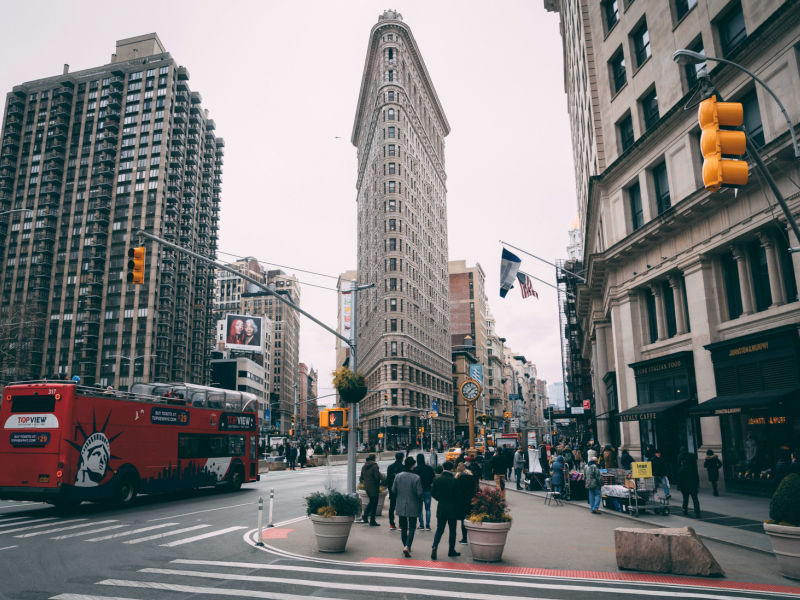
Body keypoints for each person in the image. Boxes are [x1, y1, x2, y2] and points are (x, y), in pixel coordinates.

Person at [392, 456, 422, 557]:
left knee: (403, 527)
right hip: (413, 504)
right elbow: (419, 493)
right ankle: (407, 546)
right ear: (412, 466)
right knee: (412, 527)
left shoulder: (398, 476)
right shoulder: (416, 478)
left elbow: (393, 490)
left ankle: (405, 545)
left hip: (400, 504)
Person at [431, 461, 460, 560]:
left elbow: (433, 493)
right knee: (452, 530)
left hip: (441, 507)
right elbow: (457, 495)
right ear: (452, 469)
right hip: (452, 508)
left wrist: (440, 499)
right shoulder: (455, 481)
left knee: (440, 529)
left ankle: (435, 546)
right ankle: (451, 550)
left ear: (443, 468)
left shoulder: (437, 479)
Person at [455, 462, 478, 544]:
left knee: (463, 521)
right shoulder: (471, 477)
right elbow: (476, 488)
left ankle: (464, 539)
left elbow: (457, 490)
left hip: (462, 502)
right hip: (471, 501)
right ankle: (474, 538)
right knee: (471, 519)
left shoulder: (459, 478)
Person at [359, 454, 382, 526]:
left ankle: (365, 516)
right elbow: (377, 477)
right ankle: (372, 521)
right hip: (374, 487)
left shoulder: (364, 466)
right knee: (374, 504)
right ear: (374, 459)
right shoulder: (375, 466)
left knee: (371, 502)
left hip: (367, 487)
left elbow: (361, 477)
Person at [385, 452, 405, 531]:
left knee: (392, 507)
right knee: (401, 507)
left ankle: (391, 524)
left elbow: (388, 480)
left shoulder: (390, 467)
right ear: (402, 458)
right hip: (401, 490)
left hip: (392, 489)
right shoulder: (403, 467)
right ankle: (401, 525)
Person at [415, 453, 435, 530]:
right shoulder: (429, 468)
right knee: (428, 508)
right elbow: (433, 478)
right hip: (427, 490)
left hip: (419, 490)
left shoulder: (416, 469)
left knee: (419, 509)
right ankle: (428, 525)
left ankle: (421, 525)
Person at [678, 451, 701, 518]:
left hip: (684, 487)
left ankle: (685, 509)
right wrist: (697, 485)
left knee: (685, 499)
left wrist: (679, 486)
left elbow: (680, 479)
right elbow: (696, 477)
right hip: (693, 486)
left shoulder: (682, 469)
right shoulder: (693, 468)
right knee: (695, 498)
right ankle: (697, 512)